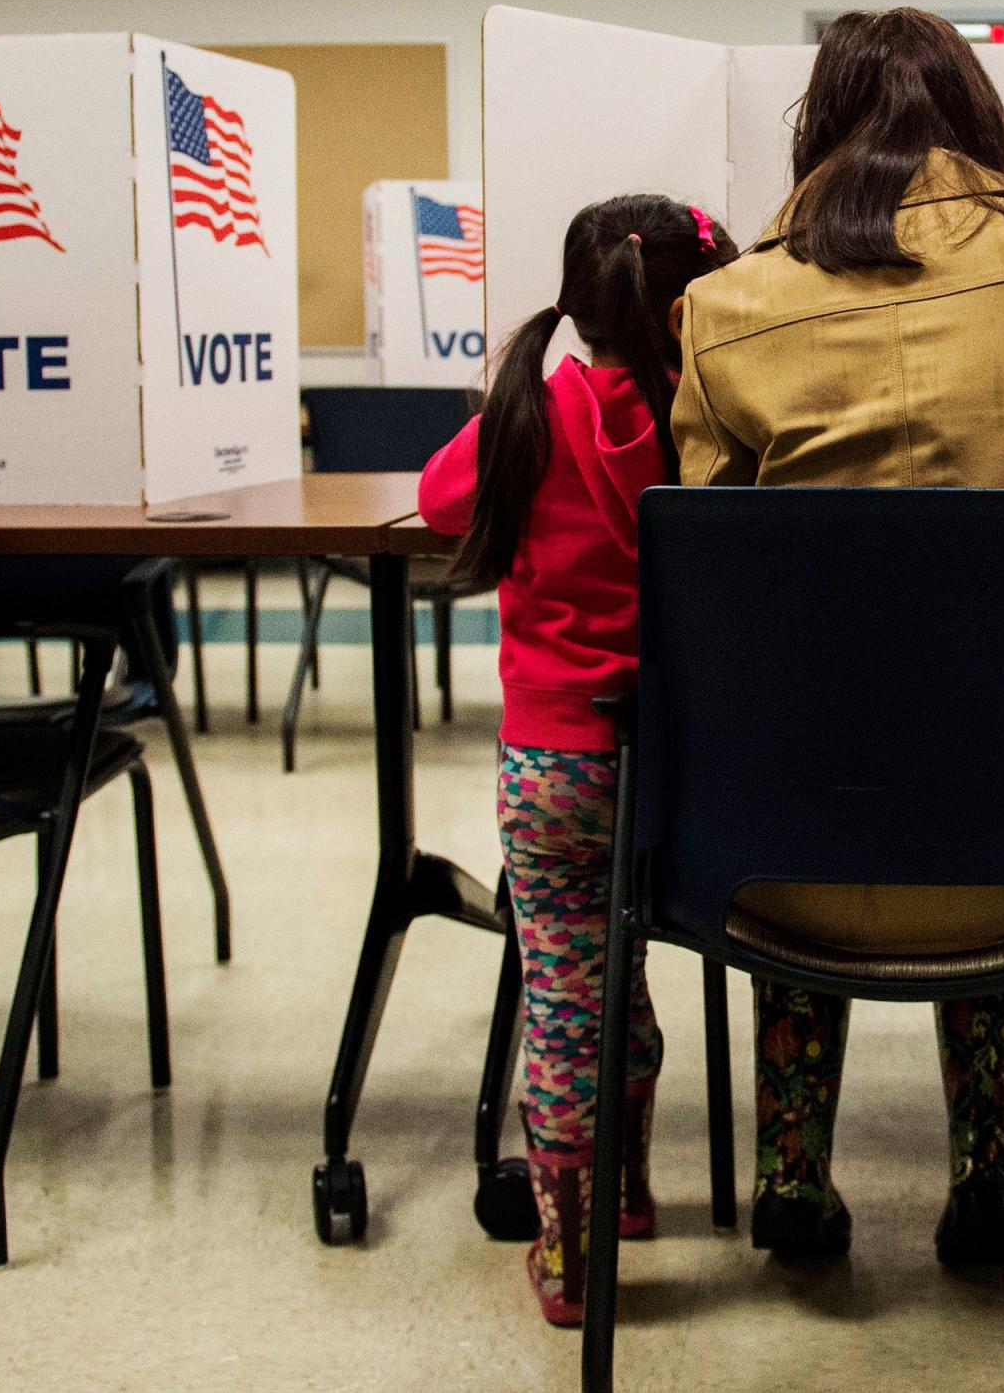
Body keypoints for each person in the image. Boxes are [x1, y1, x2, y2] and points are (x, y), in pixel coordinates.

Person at [671, 7, 1004, 1267]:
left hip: (782, 862)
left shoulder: (725, 303)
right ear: (979, 114)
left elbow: (700, 571)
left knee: (826, 726)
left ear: (816, 128)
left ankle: (792, 1177)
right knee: (992, 717)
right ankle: (987, 1174)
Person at [418, 194, 739, 1328]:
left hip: (550, 766)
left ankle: (575, 1254)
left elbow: (437, 497)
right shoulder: (698, 421)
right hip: (677, 772)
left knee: (567, 995)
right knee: (633, 976)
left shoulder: (533, 409)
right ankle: (635, 1193)